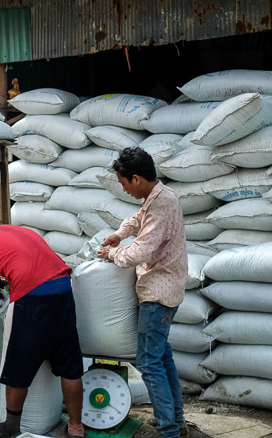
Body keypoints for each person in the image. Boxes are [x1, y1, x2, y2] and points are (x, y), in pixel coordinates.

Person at [0, 199, 85, 438]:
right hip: (63, 288)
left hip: (32, 298)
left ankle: (9, 428)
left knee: (16, 367)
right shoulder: (17, 229)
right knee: (70, 366)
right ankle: (76, 428)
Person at [97, 147, 188, 438]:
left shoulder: (161, 204)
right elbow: (138, 219)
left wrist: (111, 254)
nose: (124, 189)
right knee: (162, 358)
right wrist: (119, 234)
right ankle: (177, 422)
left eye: (123, 183)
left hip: (157, 293)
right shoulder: (158, 197)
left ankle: (169, 430)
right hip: (167, 289)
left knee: (149, 363)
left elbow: (141, 251)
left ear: (136, 178)